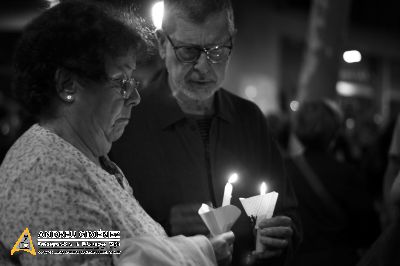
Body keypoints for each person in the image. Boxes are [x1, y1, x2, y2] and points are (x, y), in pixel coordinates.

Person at [0, 1, 234, 266]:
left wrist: (200, 247)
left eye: (134, 82)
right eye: (122, 82)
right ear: (67, 86)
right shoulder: (45, 172)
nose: (135, 97)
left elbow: (117, 249)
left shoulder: (84, 161)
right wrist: (199, 253)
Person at [111, 0, 301, 265]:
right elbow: (72, 241)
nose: (203, 66)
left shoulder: (249, 119)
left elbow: (288, 212)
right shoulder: (125, 120)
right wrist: (162, 229)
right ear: (163, 44)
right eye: (188, 51)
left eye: (217, 50)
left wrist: (281, 236)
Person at [284, 100, 378, 266]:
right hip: (338, 259)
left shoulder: (283, 169)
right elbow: (369, 229)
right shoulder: (346, 174)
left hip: (294, 259)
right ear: (334, 131)